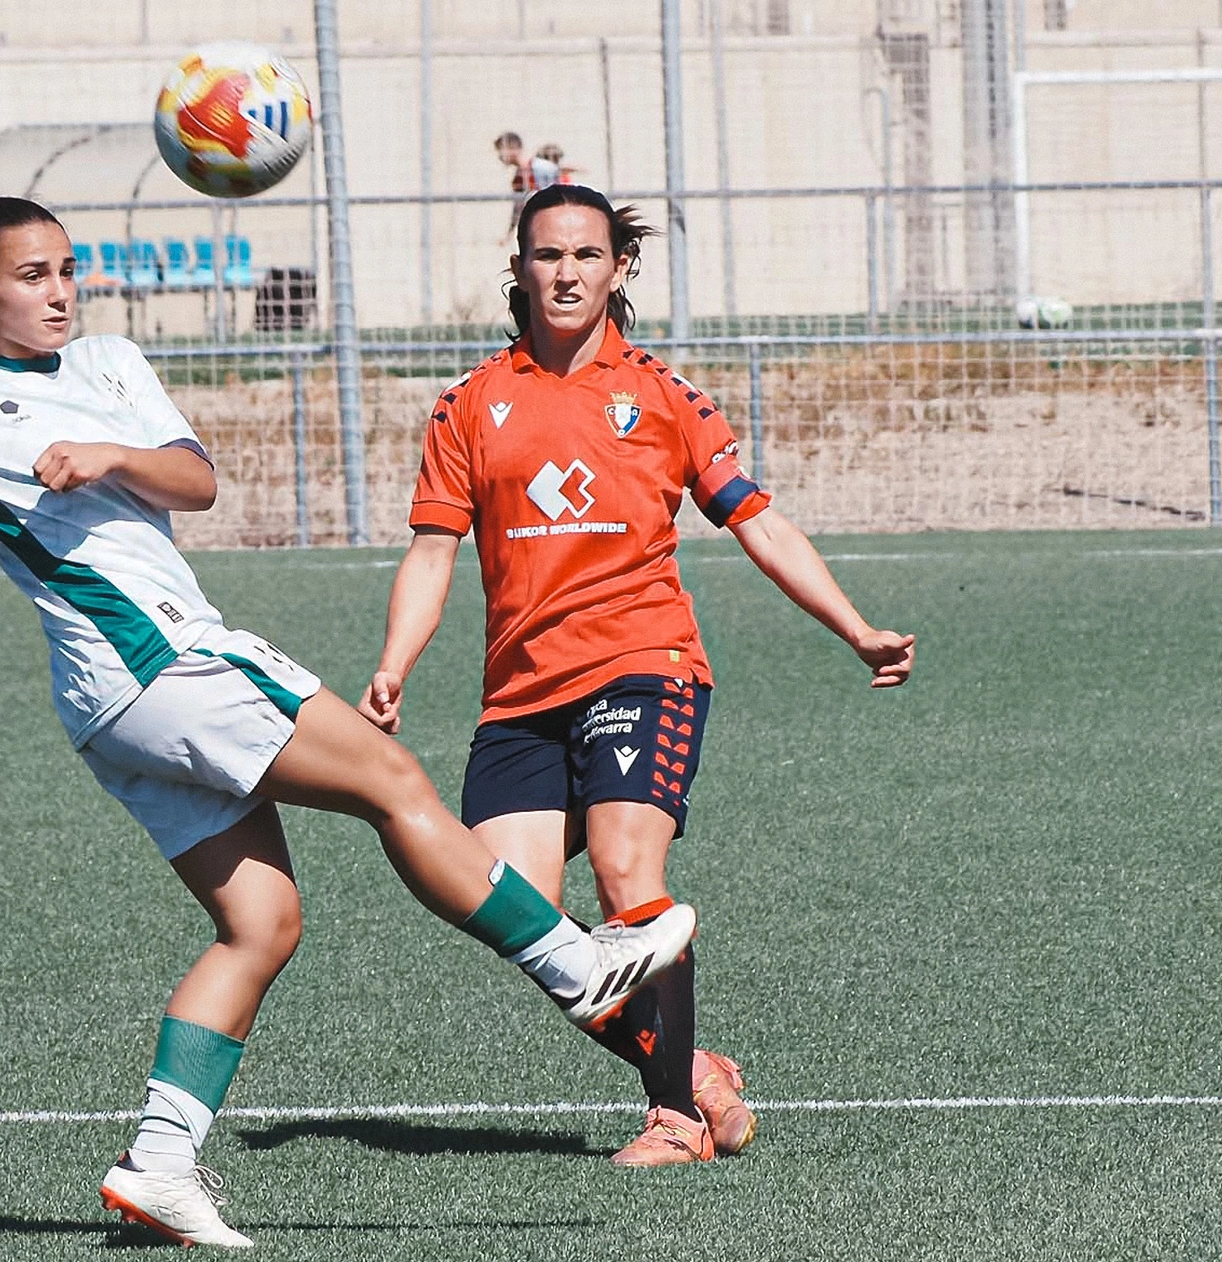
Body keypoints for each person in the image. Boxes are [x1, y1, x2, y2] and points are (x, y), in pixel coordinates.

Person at [0, 196, 698, 1247]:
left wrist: (107, 454)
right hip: (160, 667)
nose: (57, 292)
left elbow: (191, 480)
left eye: (66, 270)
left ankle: (157, 1164)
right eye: (30, 277)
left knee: (260, 924)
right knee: (392, 782)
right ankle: (571, 965)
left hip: (123, 704)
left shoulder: (108, 366)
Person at [359, 182, 915, 1167]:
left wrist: (853, 627)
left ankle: (671, 1120)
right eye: (545, 255)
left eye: (584, 255)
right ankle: (692, 1068)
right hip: (519, 698)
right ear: (518, 269)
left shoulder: (662, 398)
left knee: (625, 875)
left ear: (617, 270)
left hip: (642, 667)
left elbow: (756, 521)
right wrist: (394, 664)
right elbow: (433, 551)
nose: (564, 272)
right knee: (518, 916)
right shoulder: (468, 405)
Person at [494, 131, 560, 241]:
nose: (500, 156)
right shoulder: (518, 177)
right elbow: (518, 206)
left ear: (513, 148)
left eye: (501, 150)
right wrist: (509, 234)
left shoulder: (541, 168)